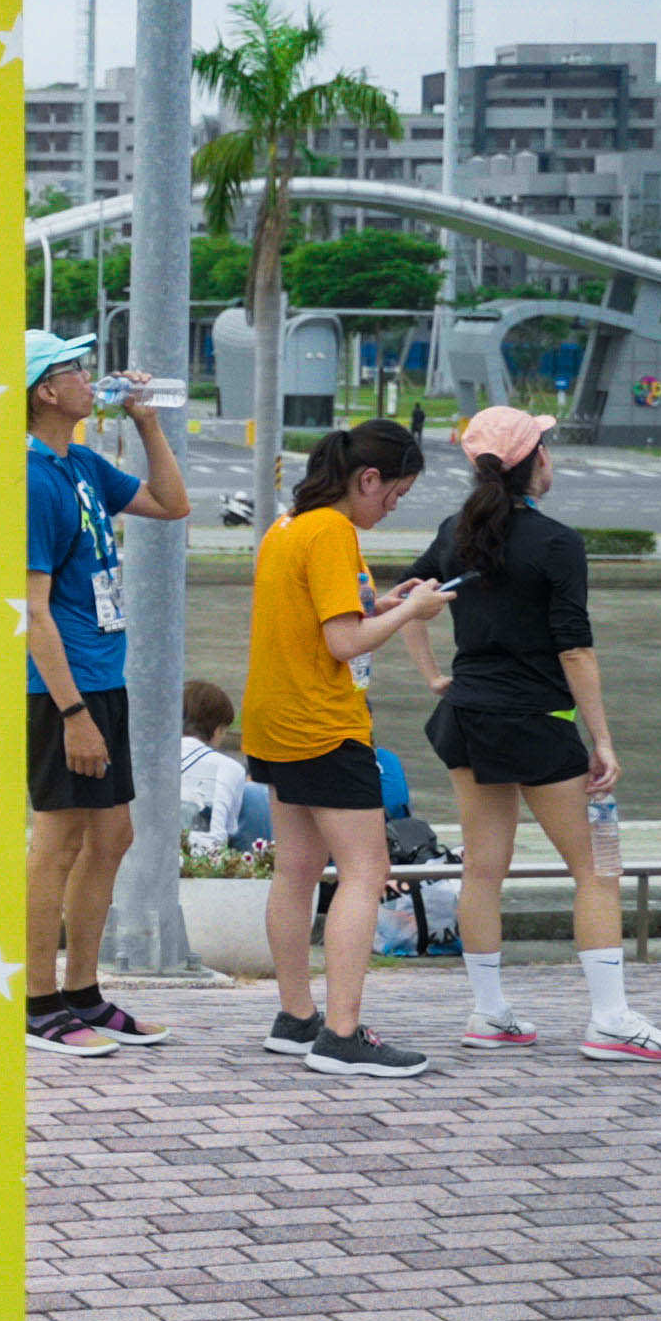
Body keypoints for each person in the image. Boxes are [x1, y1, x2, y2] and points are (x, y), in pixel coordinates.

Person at [409, 406, 661, 1062]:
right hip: (534, 724)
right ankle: (611, 1021)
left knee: (483, 870)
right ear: (534, 460)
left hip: (467, 717)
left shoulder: (455, 531)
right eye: (546, 448)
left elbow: (407, 599)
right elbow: (575, 650)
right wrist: (603, 740)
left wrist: (434, 675)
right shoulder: (557, 542)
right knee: (596, 870)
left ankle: (489, 1014)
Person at [240, 419, 447, 1078]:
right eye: (396, 494)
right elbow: (344, 642)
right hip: (324, 725)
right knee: (365, 870)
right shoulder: (334, 532)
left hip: (274, 719)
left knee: (296, 870)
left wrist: (383, 602)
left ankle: (295, 1017)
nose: (394, 507)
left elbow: (325, 615)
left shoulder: (289, 526)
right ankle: (343, 1033)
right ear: (368, 479)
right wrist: (412, 613)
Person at [19, 333, 191, 1056]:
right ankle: (37, 1003)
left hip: (101, 679)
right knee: (57, 840)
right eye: (76, 370)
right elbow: (32, 612)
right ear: (45, 391)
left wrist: (146, 422)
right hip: (62, 690)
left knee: (112, 836)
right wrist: (72, 714)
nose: (92, 379)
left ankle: (83, 992)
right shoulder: (30, 480)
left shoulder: (83, 464)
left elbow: (171, 503)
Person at [178, 678, 256, 850]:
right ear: (218, 729)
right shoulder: (231, 768)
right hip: (206, 860)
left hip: (149, 856)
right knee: (255, 793)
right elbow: (230, 828)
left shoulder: (151, 762)